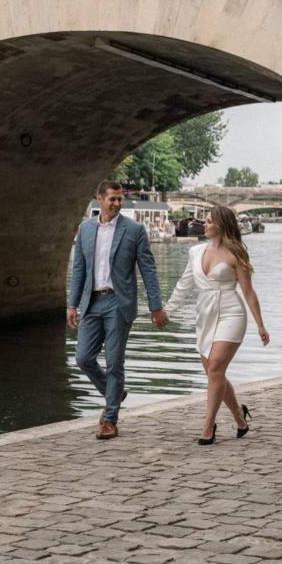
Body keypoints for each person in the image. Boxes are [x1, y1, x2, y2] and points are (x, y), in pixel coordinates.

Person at [161, 204, 270, 445]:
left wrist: (260, 325)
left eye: (209, 221)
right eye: (205, 221)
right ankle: (239, 415)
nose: (204, 224)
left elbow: (249, 292)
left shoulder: (237, 253)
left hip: (232, 313)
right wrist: (167, 311)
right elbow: (184, 285)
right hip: (205, 314)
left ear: (221, 225)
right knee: (214, 373)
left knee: (216, 368)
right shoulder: (196, 252)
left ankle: (208, 425)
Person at [68, 181, 168, 440]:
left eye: (119, 199)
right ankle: (114, 392)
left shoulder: (134, 230)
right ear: (99, 199)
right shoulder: (86, 229)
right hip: (91, 302)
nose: (117, 203)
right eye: (112, 199)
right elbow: (79, 268)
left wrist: (156, 306)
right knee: (83, 358)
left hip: (118, 303)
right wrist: (72, 303)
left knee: (114, 363)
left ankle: (110, 419)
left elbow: (148, 270)